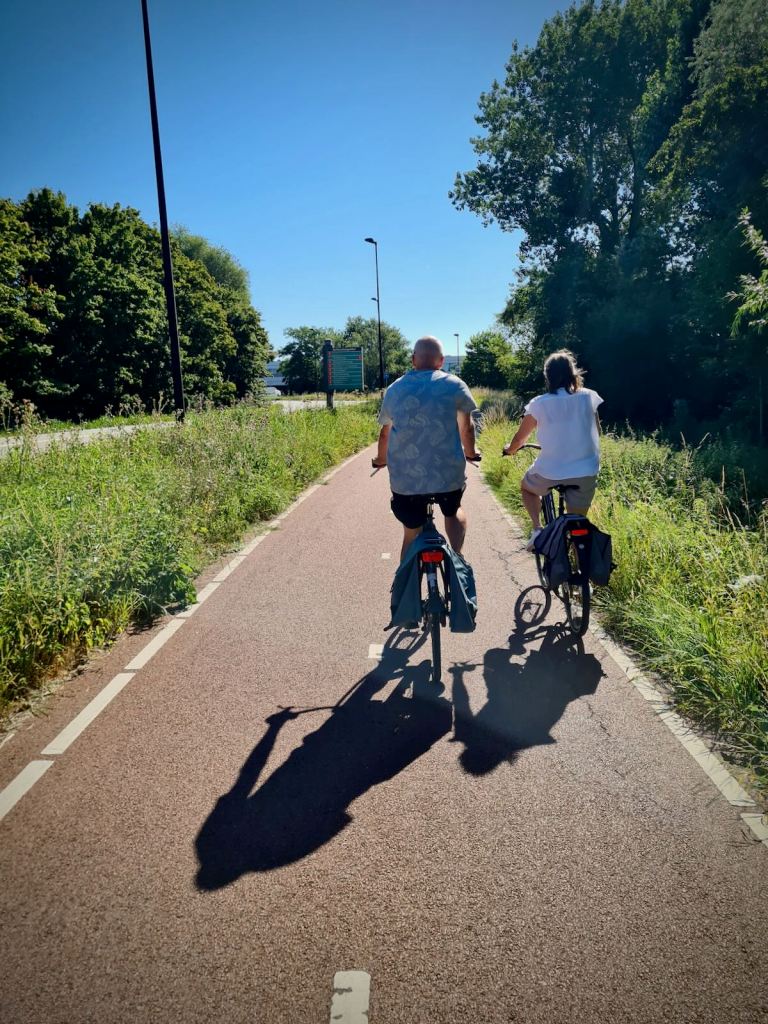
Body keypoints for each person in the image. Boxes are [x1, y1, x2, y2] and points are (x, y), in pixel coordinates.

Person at [372, 336, 480, 560]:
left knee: (411, 533)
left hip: (407, 481)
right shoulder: (455, 385)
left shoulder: (395, 389)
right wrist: (471, 453)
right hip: (447, 476)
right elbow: (467, 429)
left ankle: (405, 583)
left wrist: (381, 459)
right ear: (441, 361)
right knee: (453, 511)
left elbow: (385, 434)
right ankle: (458, 557)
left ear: (413, 360)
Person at [503, 350, 603, 550]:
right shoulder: (588, 397)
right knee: (577, 523)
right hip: (585, 471)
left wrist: (510, 450)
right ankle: (580, 574)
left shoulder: (539, 403)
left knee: (526, 487)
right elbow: (596, 431)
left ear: (547, 376)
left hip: (549, 471)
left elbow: (520, 438)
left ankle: (538, 529)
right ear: (572, 373)